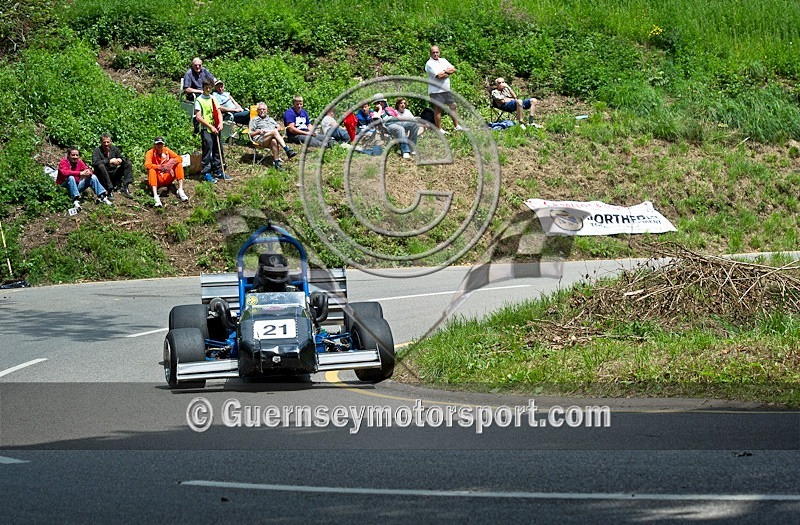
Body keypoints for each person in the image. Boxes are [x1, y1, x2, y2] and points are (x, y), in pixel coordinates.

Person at [194, 80, 229, 182]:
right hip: (206, 129)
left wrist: (220, 123)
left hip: (216, 127)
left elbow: (218, 112)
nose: (208, 89)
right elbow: (198, 117)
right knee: (207, 149)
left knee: (218, 149)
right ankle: (206, 172)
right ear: (203, 87)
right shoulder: (199, 100)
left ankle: (218, 170)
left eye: (210, 88)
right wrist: (210, 126)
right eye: (206, 88)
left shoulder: (213, 98)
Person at [249, 102, 298, 170]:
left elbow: (279, 127)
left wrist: (278, 128)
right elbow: (250, 134)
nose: (262, 111)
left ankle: (276, 164)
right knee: (274, 132)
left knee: (274, 141)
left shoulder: (270, 119)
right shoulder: (254, 120)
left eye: (264, 109)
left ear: (266, 110)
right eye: (260, 109)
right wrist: (258, 131)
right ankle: (287, 150)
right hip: (261, 139)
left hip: (271, 137)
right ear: (257, 111)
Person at [425, 45, 462, 132]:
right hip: (435, 91)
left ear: (439, 52)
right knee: (438, 109)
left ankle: (457, 126)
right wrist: (447, 71)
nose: (435, 54)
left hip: (446, 89)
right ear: (430, 53)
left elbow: (453, 69)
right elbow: (439, 76)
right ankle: (439, 129)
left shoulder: (443, 60)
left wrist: (444, 72)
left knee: (453, 106)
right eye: (433, 52)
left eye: (436, 52)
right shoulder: (429, 64)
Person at [144, 137, 188, 207]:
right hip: (158, 178)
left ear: (163, 145)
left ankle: (180, 190)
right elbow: (147, 165)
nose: (159, 146)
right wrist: (159, 167)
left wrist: (171, 163)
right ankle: (155, 196)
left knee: (178, 164)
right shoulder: (150, 152)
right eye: (157, 144)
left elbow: (179, 158)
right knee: (151, 170)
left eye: (161, 144)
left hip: (167, 176)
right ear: (154, 145)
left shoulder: (167, 150)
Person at [91, 134, 133, 200]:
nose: (106, 144)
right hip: (102, 175)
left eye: (108, 142)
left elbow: (123, 158)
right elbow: (95, 163)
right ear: (101, 142)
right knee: (101, 166)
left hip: (113, 172)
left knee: (128, 163)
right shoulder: (97, 151)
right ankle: (110, 190)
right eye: (104, 142)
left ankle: (125, 187)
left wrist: (120, 160)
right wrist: (108, 161)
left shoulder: (115, 149)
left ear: (111, 142)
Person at [374, 95, 417, 159]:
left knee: (414, 125)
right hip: (388, 125)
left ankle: (411, 147)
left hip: (398, 122)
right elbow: (377, 119)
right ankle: (405, 151)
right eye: (379, 102)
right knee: (400, 129)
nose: (381, 103)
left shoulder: (389, 109)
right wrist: (380, 109)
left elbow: (398, 117)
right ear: (376, 104)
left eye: (382, 102)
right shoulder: (375, 112)